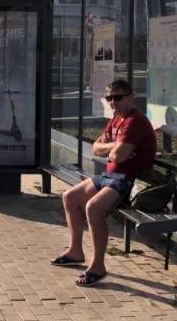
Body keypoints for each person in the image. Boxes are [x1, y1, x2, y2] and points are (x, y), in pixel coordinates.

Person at [51, 79, 157, 287]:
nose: (112, 102)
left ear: (130, 97)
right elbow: (96, 148)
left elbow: (118, 157)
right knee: (69, 197)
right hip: (109, 175)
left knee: (93, 207)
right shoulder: (117, 119)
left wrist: (112, 149)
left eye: (118, 97)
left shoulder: (135, 121)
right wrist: (115, 145)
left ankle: (98, 266)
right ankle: (75, 251)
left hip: (129, 179)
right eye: (109, 98)